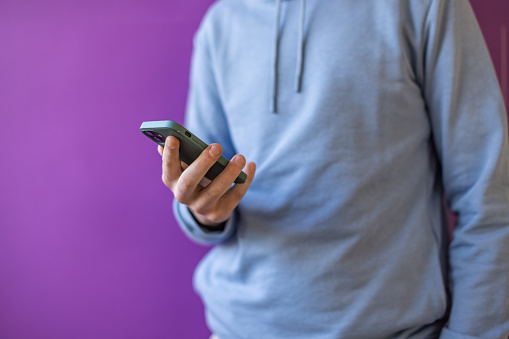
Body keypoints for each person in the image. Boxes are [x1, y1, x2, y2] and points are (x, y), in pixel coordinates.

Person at [158, 0, 509, 338]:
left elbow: (490, 194)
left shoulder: (423, 5)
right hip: (239, 326)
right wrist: (205, 212)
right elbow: (210, 194)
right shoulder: (222, 23)